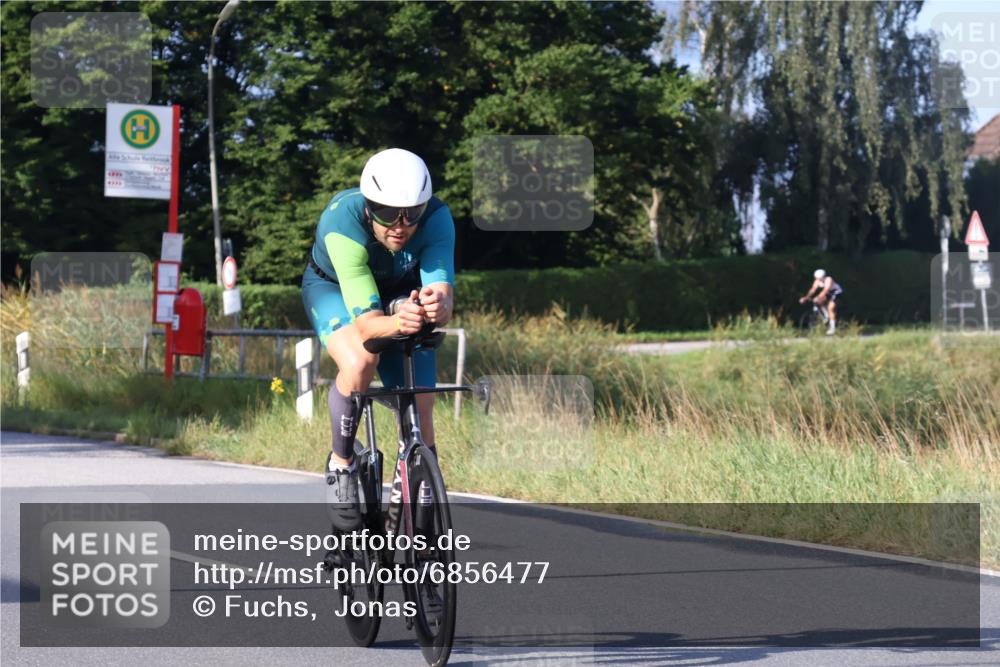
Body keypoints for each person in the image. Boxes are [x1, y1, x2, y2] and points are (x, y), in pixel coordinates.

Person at [302, 148, 455, 531]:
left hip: (399, 292)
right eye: (387, 213)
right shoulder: (342, 222)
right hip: (335, 289)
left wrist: (437, 306)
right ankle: (341, 465)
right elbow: (369, 327)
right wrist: (398, 321)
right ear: (370, 207)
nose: (400, 226)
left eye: (412, 213)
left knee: (421, 397)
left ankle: (421, 482)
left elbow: (443, 294)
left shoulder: (438, 218)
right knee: (360, 362)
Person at [799, 268, 843, 335]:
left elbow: (825, 290)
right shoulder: (817, 281)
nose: (818, 280)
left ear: (823, 276)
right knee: (818, 302)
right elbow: (813, 290)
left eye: (820, 278)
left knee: (831, 308)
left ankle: (832, 329)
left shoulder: (828, 279)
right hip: (828, 293)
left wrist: (818, 297)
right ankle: (826, 315)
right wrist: (806, 297)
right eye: (817, 278)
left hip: (836, 293)